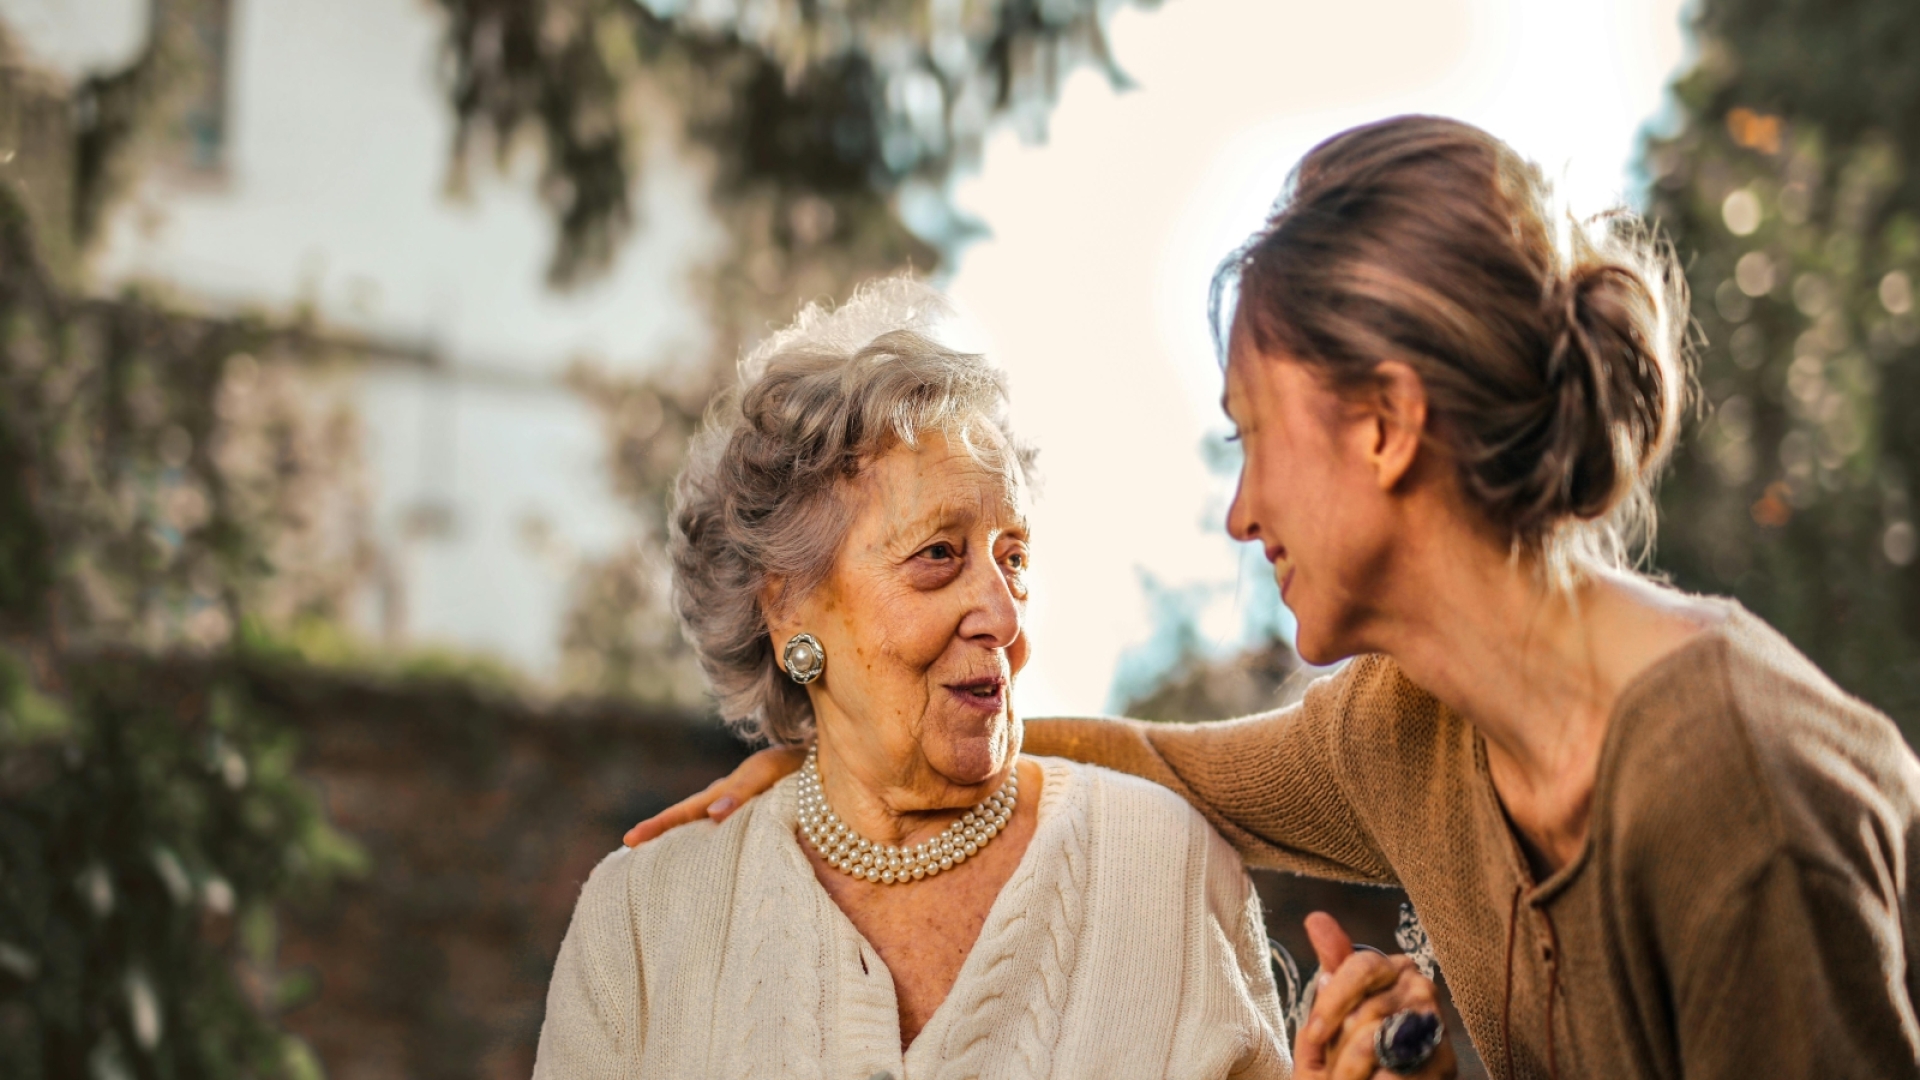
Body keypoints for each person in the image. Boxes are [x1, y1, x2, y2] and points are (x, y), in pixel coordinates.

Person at [626, 116, 1920, 1080]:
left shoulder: (1729, 789)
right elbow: (1159, 768)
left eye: (1253, 437)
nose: (1241, 514)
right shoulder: (1410, 731)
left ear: (1386, 426)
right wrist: (854, 750)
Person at [534, 277, 1301, 1080]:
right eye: (938, 554)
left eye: (1014, 558)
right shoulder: (642, 921)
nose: (1002, 616)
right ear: (788, 608)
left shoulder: (1167, 868)